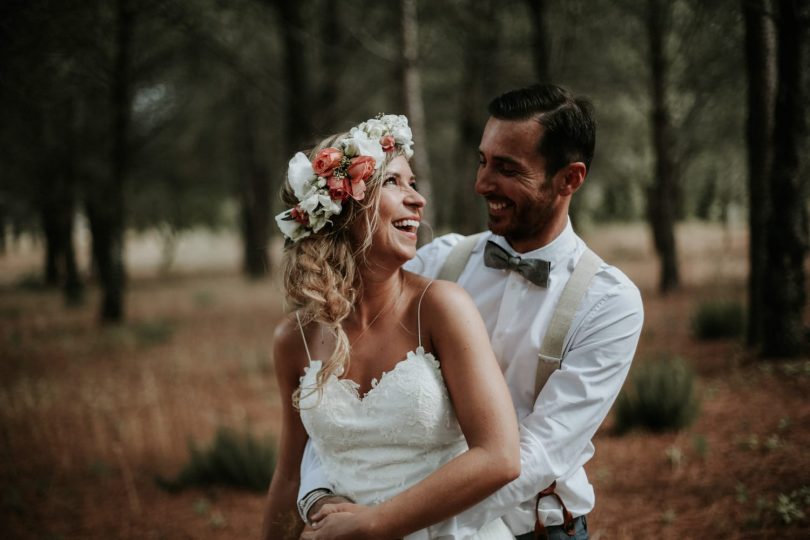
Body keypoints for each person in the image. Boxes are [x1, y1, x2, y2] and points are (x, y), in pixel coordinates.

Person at [298, 84, 644, 540]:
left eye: (507, 169)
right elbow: (349, 400)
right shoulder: (438, 263)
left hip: (533, 529)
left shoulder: (609, 303)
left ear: (569, 179)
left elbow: (535, 454)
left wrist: (394, 520)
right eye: (483, 161)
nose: (482, 184)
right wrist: (318, 496)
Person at [261, 114, 521, 540]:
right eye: (393, 183)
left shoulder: (440, 307)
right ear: (341, 207)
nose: (417, 200)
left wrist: (374, 523)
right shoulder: (294, 339)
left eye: (413, 184)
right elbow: (289, 477)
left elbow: (499, 456)